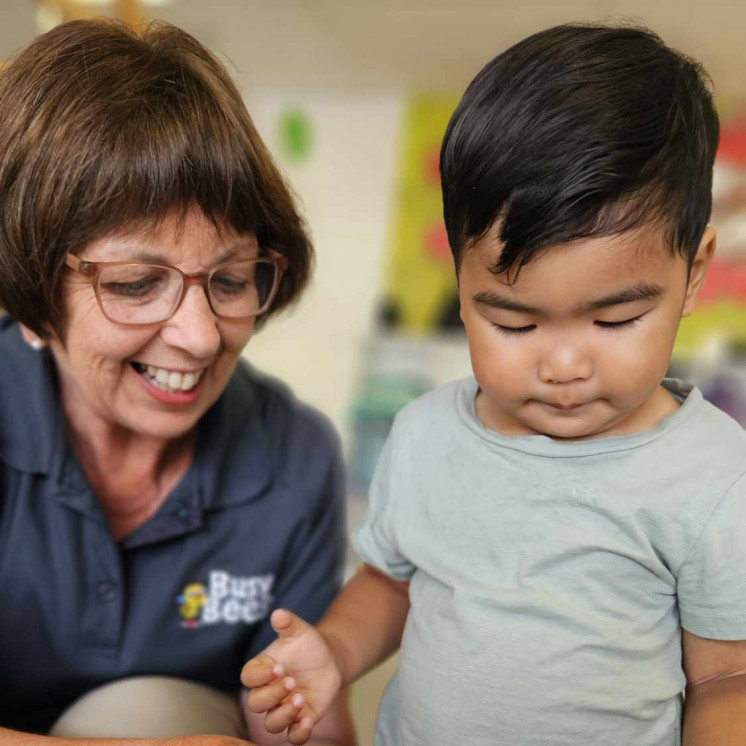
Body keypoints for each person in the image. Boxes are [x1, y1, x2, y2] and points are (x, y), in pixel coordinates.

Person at [241, 22, 746, 746]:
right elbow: (390, 583)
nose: (564, 366)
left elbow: (727, 676)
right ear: (462, 276)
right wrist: (336, 653)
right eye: (514, 324)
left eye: (616, 319)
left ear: (694, 272)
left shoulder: (713, 472)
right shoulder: (425, 436)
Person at [0, 18, 356, 746]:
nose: (199, 336)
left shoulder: (294, 456)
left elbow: (304, 721)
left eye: (229, 279)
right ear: (31, 303)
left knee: (149, 708)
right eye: (136, 284)